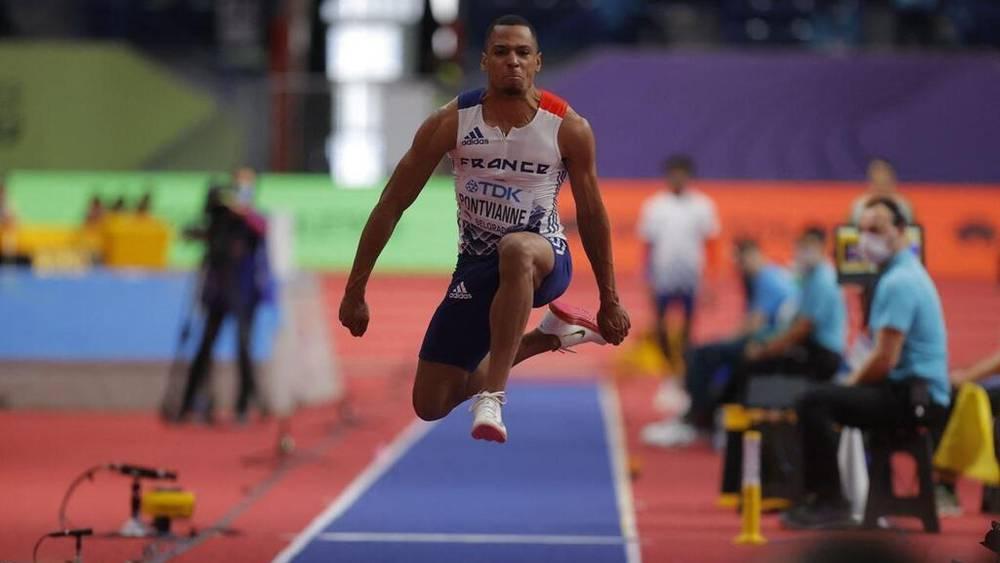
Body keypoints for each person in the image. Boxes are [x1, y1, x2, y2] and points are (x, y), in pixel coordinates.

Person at [338, 14, 630, 444]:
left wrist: (610, 298)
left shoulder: (568, 128)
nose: (513, 61)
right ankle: (547, 337)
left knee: (517, 249)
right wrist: (354, 289)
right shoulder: (452, 122)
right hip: (476, 264)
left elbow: (591, 214)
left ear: (538, 63)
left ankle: (493, 396)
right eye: (502, 52)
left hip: (544, 257)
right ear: (484, 61)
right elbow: (392, 203)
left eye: (522, 53)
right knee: (431, 402)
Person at [782, 197, 949, 530]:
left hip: (914, 398)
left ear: (901, 231)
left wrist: (848, 385)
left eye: (876, 229)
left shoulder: (899, 282)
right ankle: (830, 497)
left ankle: (831, 503)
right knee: (823, 395)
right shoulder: (901, 274)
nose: (867, 238)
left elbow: (884, 359)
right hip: (911, 390)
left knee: (813, 401)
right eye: (863, 231)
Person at [642, 238, 796, 447]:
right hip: (765, 341)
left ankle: (696, 419)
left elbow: (755, 322)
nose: (740, 267)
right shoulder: (767, 276)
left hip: (764, 344)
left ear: (754, 255)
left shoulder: (766, 279)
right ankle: (701, 414)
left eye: (742, 261)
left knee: (700, 355)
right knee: (709, 354)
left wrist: (729, 340)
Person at [176, 170, 271, 424]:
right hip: (219, 292)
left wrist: (242, 212)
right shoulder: (223, 218)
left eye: (247, 185)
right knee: (206, 345)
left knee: (243, 348)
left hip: (244, 292)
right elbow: (196, 233)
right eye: (238, 184)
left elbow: (262, 228)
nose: (241, 190)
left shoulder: (252, 220)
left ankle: (245, 404)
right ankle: (191, 402)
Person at [637, 155, 719, 406]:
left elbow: (711, 244)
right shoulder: (655, 206)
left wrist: (710, 280)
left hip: (690, 276)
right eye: (673, 173)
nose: (677, 178)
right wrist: (647, 278)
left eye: (682, 174)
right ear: (667, 176)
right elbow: (647, 246)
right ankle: (669, 370)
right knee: (660, 326)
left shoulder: (703, 206)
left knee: (687, 327)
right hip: (663, 275)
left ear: (689, 176)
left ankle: (684, 372)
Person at [740, 226, 846, 388]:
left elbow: (801, 329)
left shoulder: (823, 280)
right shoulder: (809, 278)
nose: (804, 251)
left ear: (822, 246)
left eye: (810, 245)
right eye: (802, 245)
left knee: (757, 363)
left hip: (824, 354)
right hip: (812, 348)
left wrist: (765, 350)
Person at [849, 158, 914, 226]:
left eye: (884, 182)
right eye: (877, 182)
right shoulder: (859, 206)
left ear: (893, 182)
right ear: (870, 183)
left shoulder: (903, 207)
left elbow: (911, 233)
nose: (881, 187)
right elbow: (849, 232)